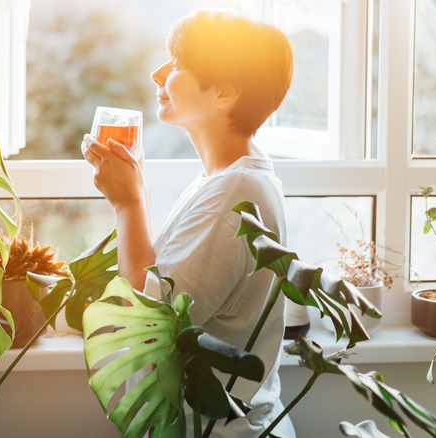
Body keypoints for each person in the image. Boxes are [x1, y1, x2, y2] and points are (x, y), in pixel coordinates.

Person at [82, 8, 295, 438]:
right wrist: (133, 192)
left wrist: (127, 204)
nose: (158, 73)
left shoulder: (235, 193)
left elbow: (148, 324)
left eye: (178, 64)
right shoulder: (230, 179)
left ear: (224, 93)